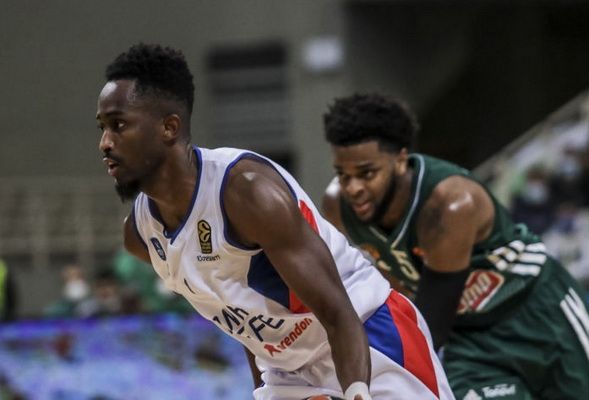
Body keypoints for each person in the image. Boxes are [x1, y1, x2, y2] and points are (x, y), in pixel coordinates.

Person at [95, 44, 453, 400]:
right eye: (102, 128)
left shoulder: (245, 192)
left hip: (368, 335)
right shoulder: (140, 236)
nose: (105, 143)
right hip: (288, 373)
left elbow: (338, 313)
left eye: (118, 125)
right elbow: (245, 323)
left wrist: (357, 393)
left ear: (169, 127)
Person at [320, 92, 589, 399]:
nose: (353, 187)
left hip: (538, 312)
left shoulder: (450, 204)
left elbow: (429, 326)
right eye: (343, 175)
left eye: (367, 173)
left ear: (400, 160)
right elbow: (390, 287)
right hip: (470, 339)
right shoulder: (336, 206)